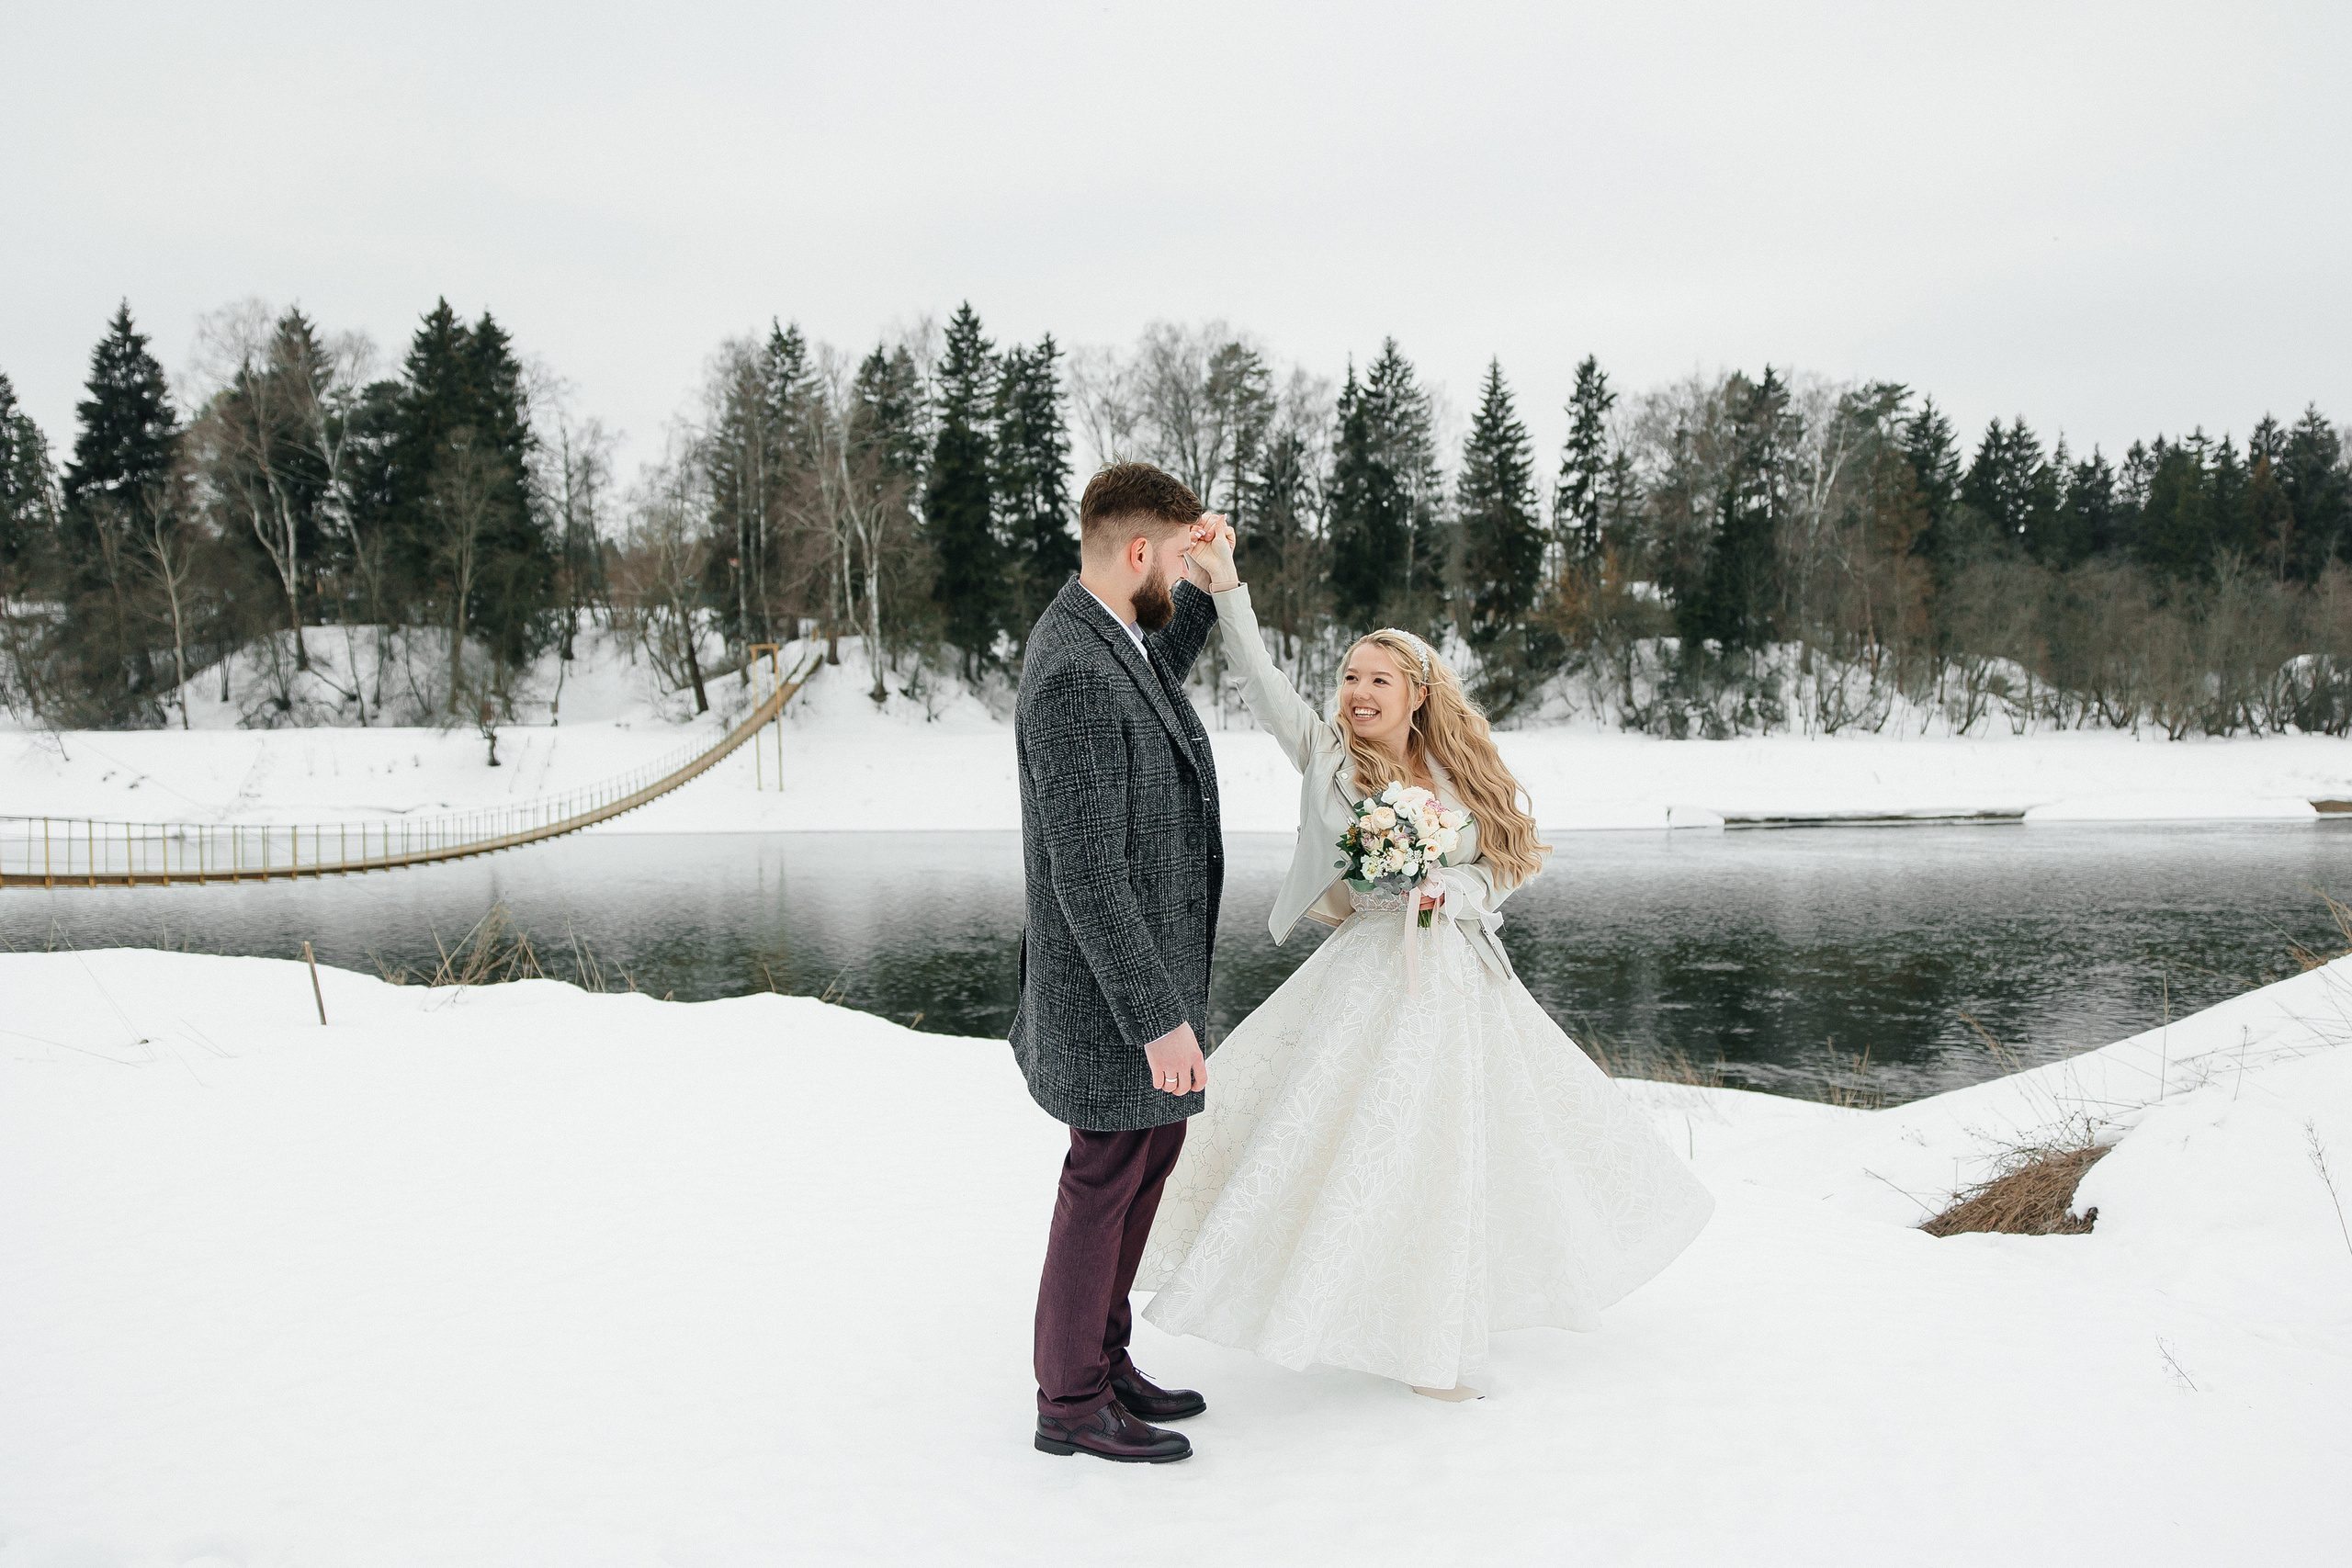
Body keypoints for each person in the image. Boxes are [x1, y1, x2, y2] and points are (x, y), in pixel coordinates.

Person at [1136, 518, 1715, 1400]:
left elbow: (1505, 862)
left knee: (1455, 1149)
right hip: (1367, 973)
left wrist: (1461, 894)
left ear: (1416, 693)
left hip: (1460, 982)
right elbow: (1259, 682)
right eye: (1348, 678)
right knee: (1349, 1144)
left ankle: (1438, 1336)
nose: (1356, 692)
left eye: (1376, 679)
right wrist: (1225, 589)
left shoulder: (1461, 769)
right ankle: (1336, 1302)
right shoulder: (1328, 755)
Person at [1010, 463, 1226, 1463]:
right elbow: (1085, 876)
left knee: (1148, 1157)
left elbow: (1158, 668)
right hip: (1111, 1000)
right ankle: (1070, 1403)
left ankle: (1105, 1354)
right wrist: (1155, 1017)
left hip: (1141, 985)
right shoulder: (1074, 674)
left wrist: (1213, 585)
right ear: (1138, 554)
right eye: (1177, 557)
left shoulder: (1112, 638)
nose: (1182, 573)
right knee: (1104, 1173)